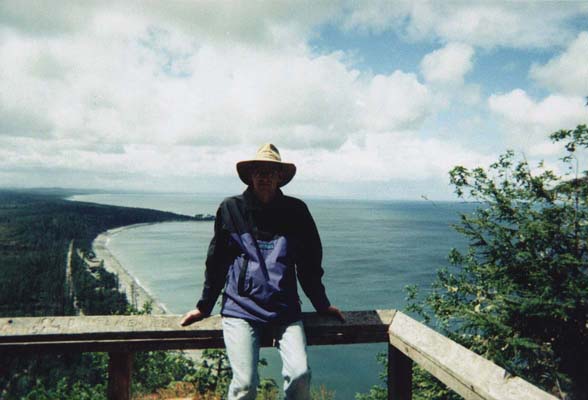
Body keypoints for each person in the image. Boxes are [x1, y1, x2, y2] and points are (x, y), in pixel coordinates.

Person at [180, 143, 343, 400]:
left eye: (271, 171)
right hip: (241, 308)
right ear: (250, 175)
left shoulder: (296, 211)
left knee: (300, 375)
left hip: (284, 309)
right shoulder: (231, 209)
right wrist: (204, 306)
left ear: (280, 177)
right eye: (259, 171)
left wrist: (321, 304)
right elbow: (217, 261)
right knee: (245, 385)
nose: (264, 177)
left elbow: (309, 263)